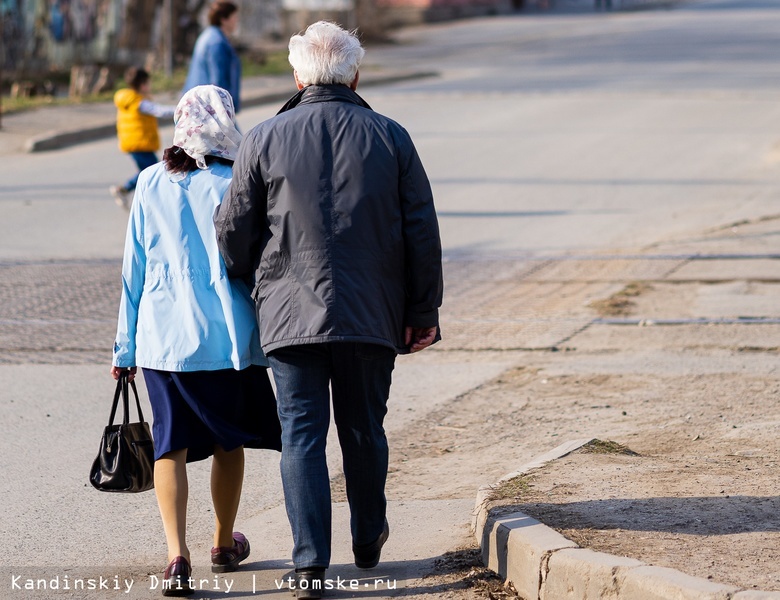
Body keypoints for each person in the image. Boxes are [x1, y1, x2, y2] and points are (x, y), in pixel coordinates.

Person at [214, 21, 443, 599]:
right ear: (355, 73)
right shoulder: (390, 136)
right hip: (372, 315)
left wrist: (253, 283)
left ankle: (310, 563)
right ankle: (368, 538)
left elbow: (233, 232)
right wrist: (423, 309)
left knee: (303, 436)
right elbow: (422, 231)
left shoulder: (263, 139)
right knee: (364, 427)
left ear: (297, 75)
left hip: (289, 316)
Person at [111, 85, 281, 597]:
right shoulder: (237, 181)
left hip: (162, 338)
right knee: (229, 441)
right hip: (228, 339)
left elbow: (132, 269)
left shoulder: (147, 182)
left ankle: (176, 555)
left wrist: (124, 348)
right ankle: (224, 543)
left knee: (171, 445)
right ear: (225, 121)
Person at [111, 67, 176, 210]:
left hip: (133, 142)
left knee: (148, 172)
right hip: (140, 143)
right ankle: (152, 202)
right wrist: (181, 109)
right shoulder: (139, 102)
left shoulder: (127, 100)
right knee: (155, 173)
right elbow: (159, 111)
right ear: (143, 84)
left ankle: (124, 190)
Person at [181, 1, 242, 114]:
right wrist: (224, 110)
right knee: (234, 132)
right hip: (210, 108)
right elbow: (218, 81)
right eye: (234, 17)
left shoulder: (209, 36)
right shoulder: (217, 43)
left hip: (200, 105)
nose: (237, 20)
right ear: (224, 19)